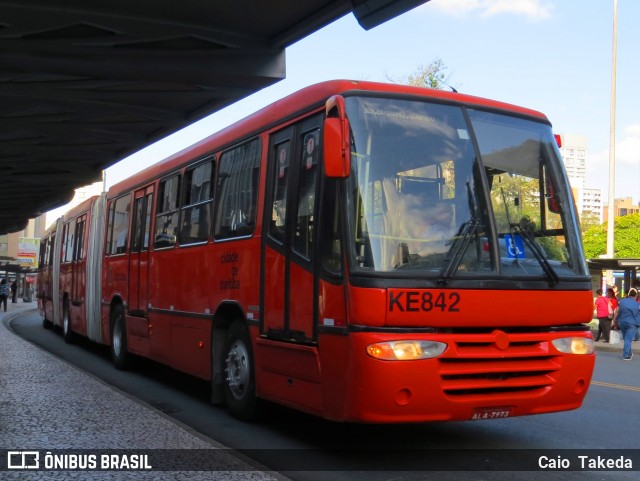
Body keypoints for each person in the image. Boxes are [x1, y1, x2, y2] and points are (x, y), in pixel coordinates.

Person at [616, 289, 640, 360]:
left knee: (626, 338)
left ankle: (629, 353)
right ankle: (626, 355)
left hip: (621, 321)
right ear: (635, 296)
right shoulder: (637, 304)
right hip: (632, 323)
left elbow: (617, 311)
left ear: (629, 295)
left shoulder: (621, 301)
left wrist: (614, 321)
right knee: (628, 339)